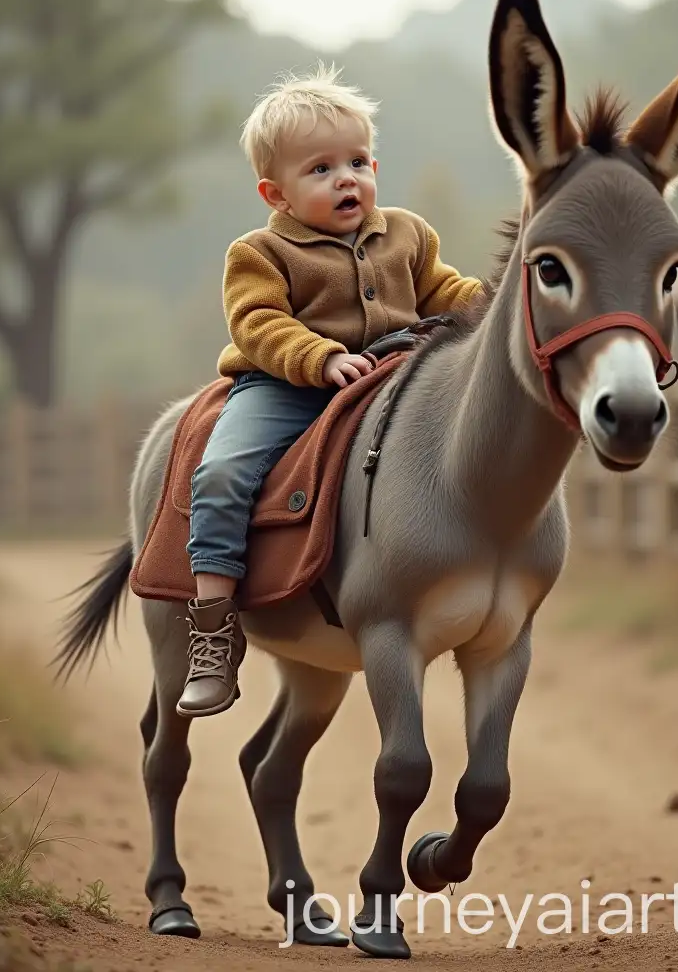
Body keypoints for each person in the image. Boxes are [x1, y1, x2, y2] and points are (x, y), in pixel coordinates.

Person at [177, 62, 484, 718]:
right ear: (276, 193)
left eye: (359, 162)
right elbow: (259, 324)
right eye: (320, 169)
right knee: (223, 473)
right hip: (287, 385)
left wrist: (502, 300)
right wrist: (319, 359)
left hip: (393, 378)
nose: (347, 178)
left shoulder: (408, 234)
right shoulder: (259, 253)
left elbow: (447, 293)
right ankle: (212, 629)